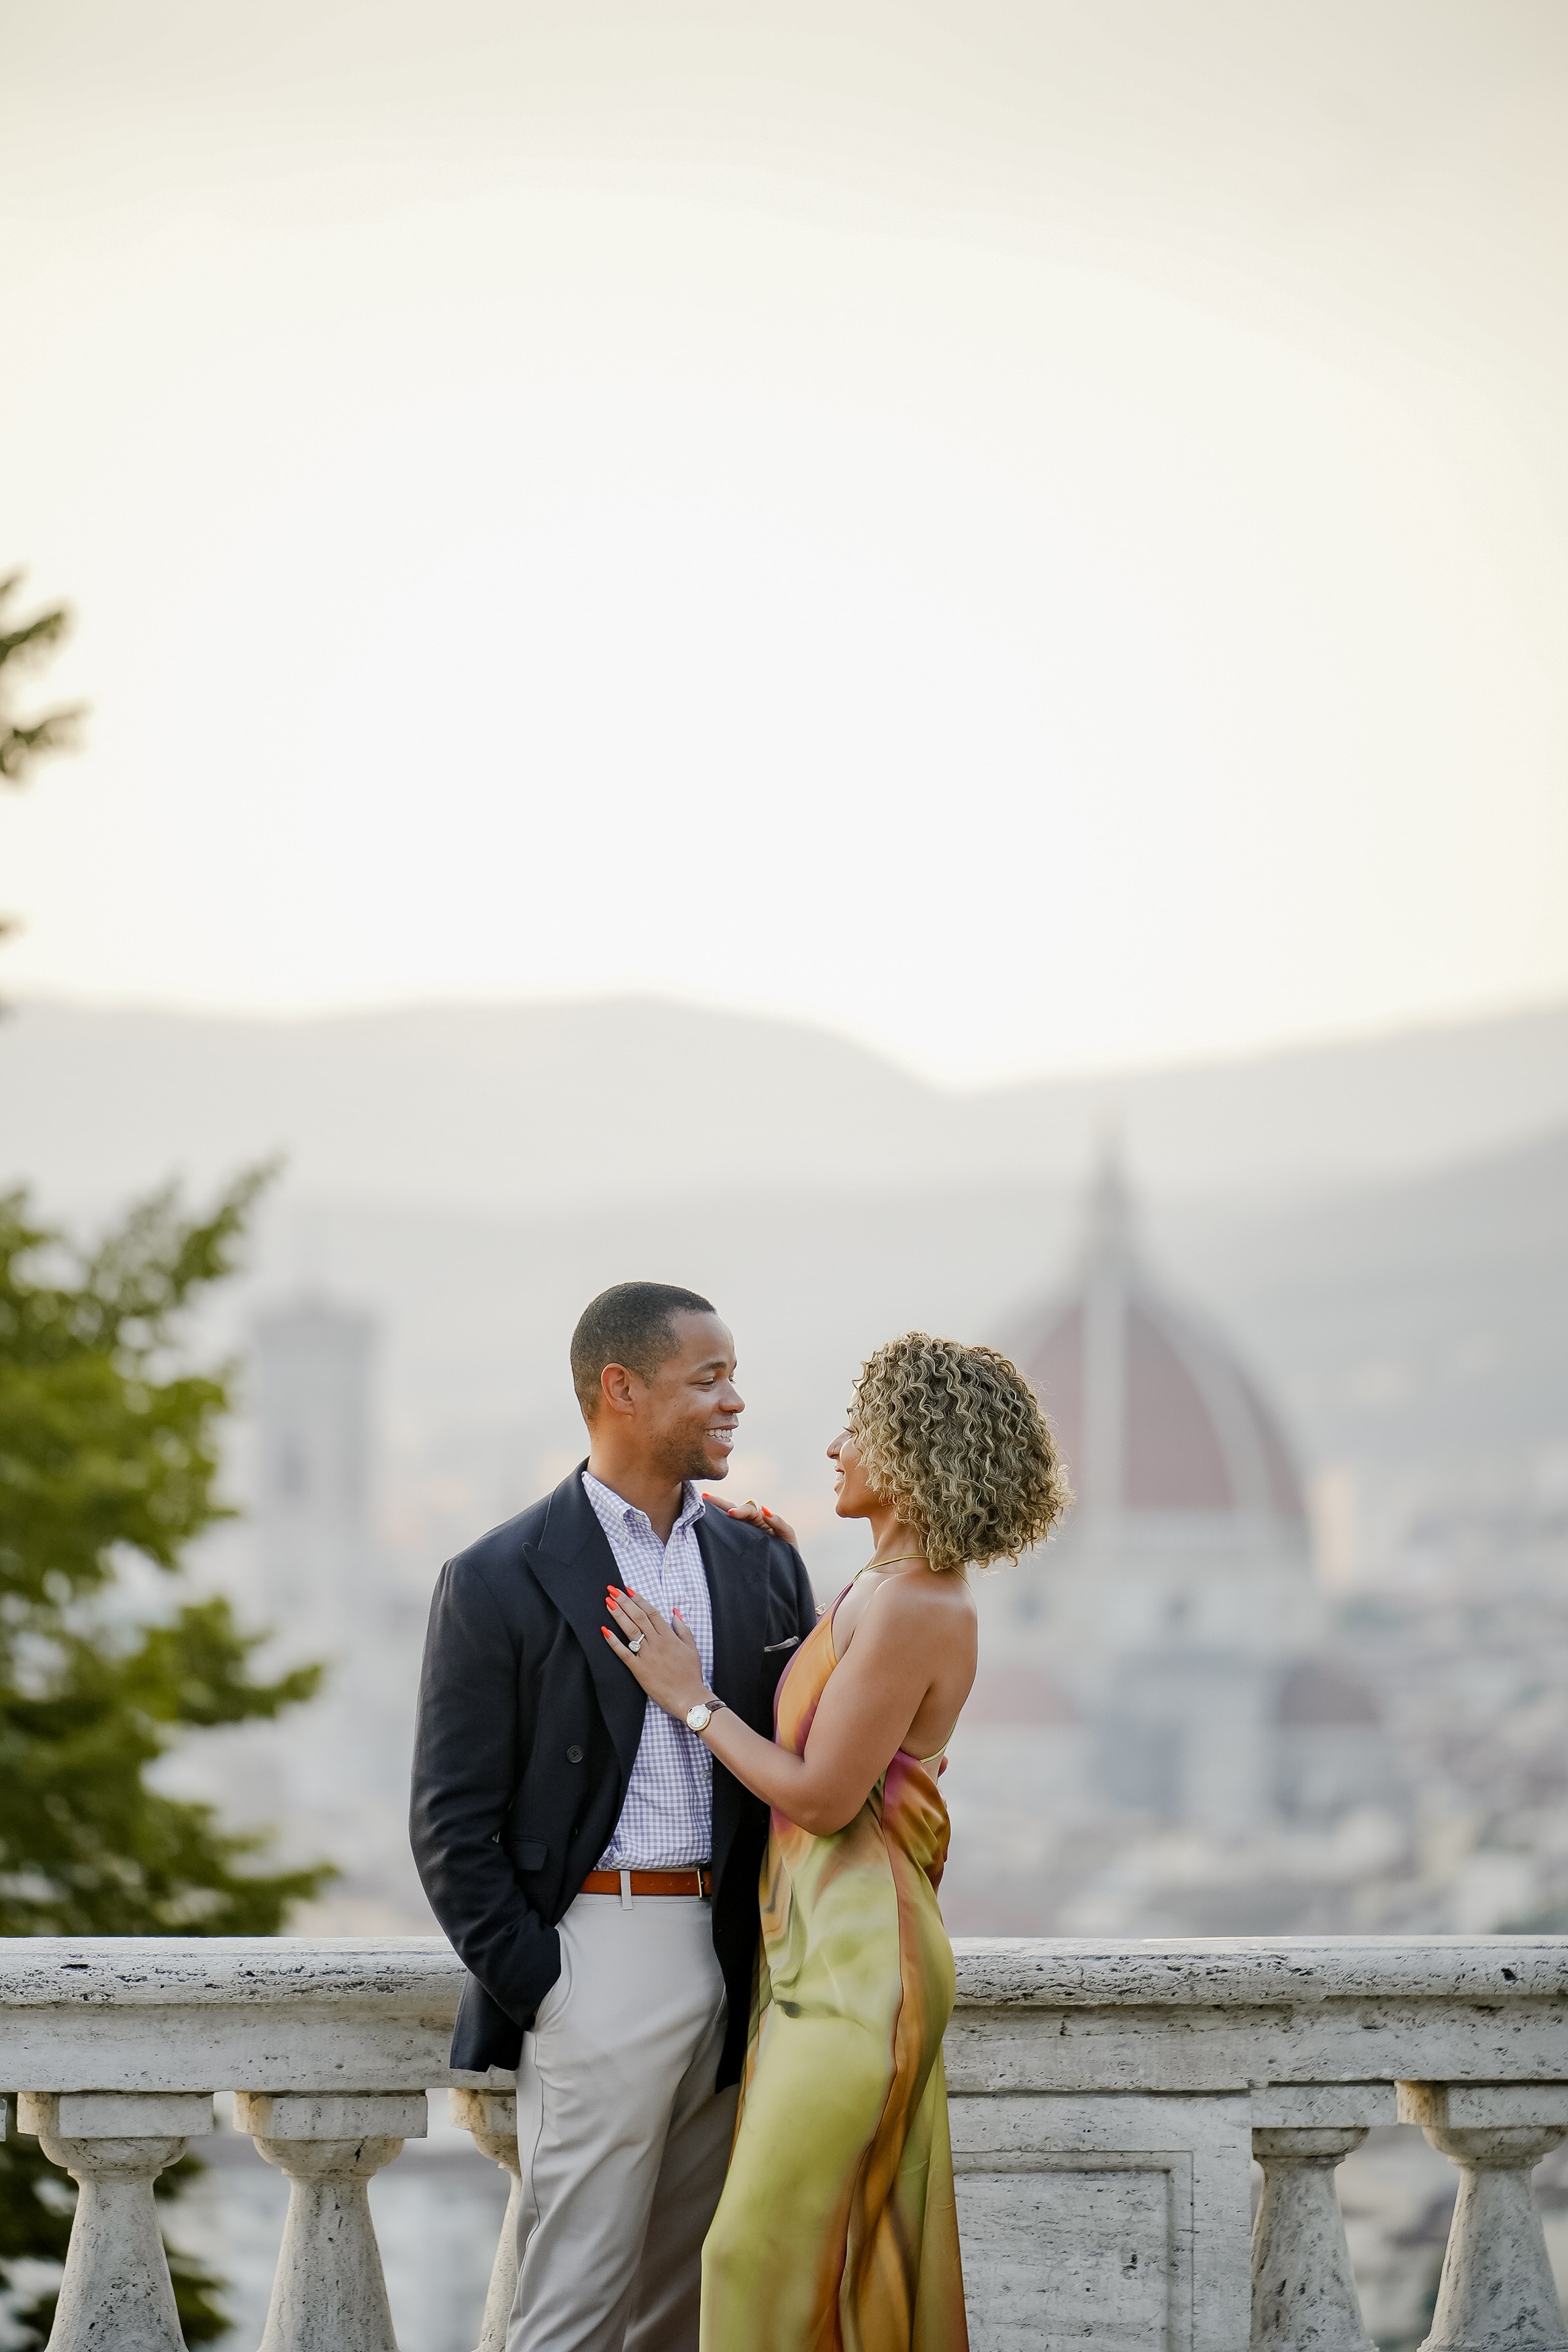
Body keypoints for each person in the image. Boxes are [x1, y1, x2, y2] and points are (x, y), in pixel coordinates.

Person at [601, 1331, 1071, 2352]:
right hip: (819, 1951)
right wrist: (767, 1559)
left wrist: (690, 1700)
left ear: (910, 1448)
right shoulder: (881, 1589)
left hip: (863, 1969)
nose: (834, 1447)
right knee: (815, 2257)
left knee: (751, 2253)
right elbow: (833, 1705)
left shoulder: (919, 1604)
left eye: (857, 1427)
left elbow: (819, 1797)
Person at [409, 1281, 818, 2352]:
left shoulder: (764, 1558)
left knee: (685, 2308)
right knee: (575, 2307)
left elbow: (811, 1750)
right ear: (621, 1389)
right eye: (709, 1378)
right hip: (600, 1955)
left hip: (742, 1959)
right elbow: (450, 1823)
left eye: (734, 1376)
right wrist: (551, 1987)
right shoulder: (495, 1577)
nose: (735, 1401)